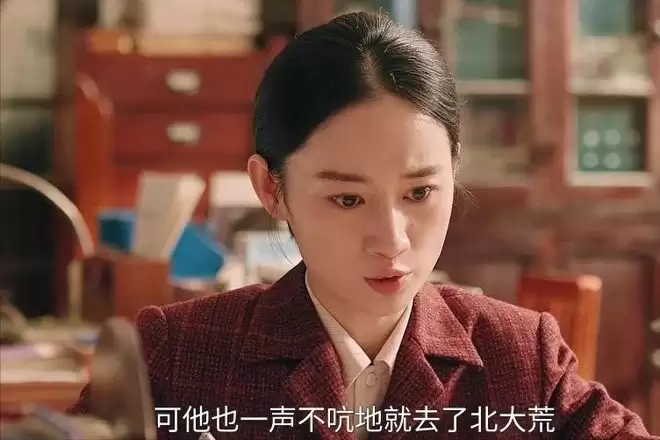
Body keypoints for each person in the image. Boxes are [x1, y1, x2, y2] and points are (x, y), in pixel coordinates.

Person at [69, 12, 654, 440]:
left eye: (420, 192)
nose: (393, 240)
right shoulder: (178, 356)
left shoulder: (520, 358)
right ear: (271, 188)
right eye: (347, 199)